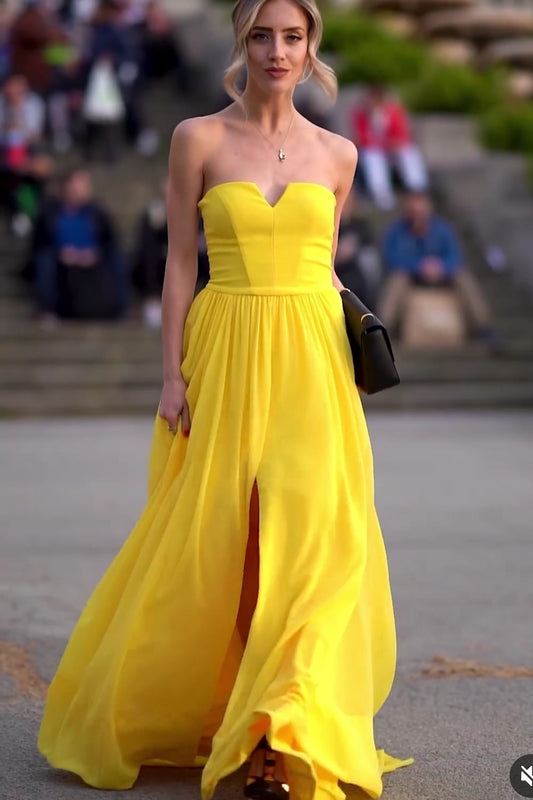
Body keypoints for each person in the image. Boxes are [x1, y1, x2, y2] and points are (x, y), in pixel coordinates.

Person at [38, 3, 414, 800]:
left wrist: (362, 339)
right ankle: (234, 712)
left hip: (314, 361)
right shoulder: (196, 139)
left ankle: (279, 735)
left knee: (314, 542)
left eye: (292, 36)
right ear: (241, 43)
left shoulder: (340, 154)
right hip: (227, 352)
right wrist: (171, 374)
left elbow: (323, 266)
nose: (276, 51)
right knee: (227, 539)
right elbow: (179, 264)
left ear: (311, 48)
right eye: (260, 35)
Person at [378, 189, 500, 349]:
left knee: (463, 278)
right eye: (413, 206)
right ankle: (382, 329)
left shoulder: (443, 229)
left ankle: (482, 326)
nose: (417, 211)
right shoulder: (395, 232)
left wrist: (440, 266)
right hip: (412, 277)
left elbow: (455, 256)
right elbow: (392, 258)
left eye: (420, 206)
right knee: (397, 280)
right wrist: (418, 266)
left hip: (442, 276)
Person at [31, 168, 128, 324]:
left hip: (93, 262)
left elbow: (109, 241)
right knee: (45, 260)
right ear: (67, 187)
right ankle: (46, 310)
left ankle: (121, 309)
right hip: (61, 262)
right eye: (79, 184)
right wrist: (62, 254)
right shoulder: (50, 212)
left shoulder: (98, 213)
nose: (84, 189)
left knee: (117, 259)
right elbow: (40, 242)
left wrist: (93, 254)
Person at [352, 83, 428, 210]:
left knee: (409, 152)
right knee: (372, 156)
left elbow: (402, 134)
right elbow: (361, 138)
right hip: (374, 151)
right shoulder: (361, 115)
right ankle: (382, 193)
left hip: (392, 149)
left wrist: (391, 143)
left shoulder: (394, 112)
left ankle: (417, 187)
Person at [334, 188, 381, 307]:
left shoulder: (360, 225)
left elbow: (369, 247)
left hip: (357, 270)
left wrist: (353, 249)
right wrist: (339, 255)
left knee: (368, 260)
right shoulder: (330, 225)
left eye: (349, 202)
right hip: (335, 269)